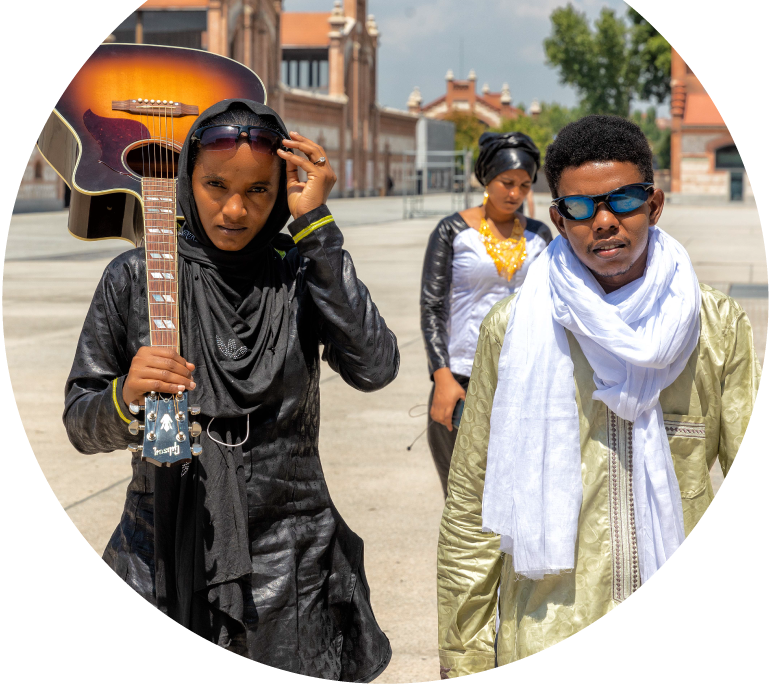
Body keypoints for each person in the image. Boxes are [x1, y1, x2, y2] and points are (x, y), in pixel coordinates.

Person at [64, 99, 398, 680]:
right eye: (216, 185)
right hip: (162, 543)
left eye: (260, 191)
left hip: (289, 550)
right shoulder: (139, 276)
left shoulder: (299, 272)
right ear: (187, 178)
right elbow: (80, 420)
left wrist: (317, 228)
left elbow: (375, 365)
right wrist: (124, 397)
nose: (235, 209)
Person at [437, 115, 758, 674]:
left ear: (654, 205)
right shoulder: (514, 331)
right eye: (581, 209)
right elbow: (471, 508)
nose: (604, 222)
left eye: (624, 200)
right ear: (559, 220)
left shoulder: (714, 327)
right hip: (547, 625)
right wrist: (463, 657)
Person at [420, 132, 552, 497]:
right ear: (486, 178)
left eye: (524, 185)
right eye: (506, 183)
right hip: (462, 376)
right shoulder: (453, 231)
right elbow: (433, 306)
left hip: (524, 377)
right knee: (463, 498)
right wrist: (442, 377)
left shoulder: (541, 235)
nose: (515, 193)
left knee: (517, 497)